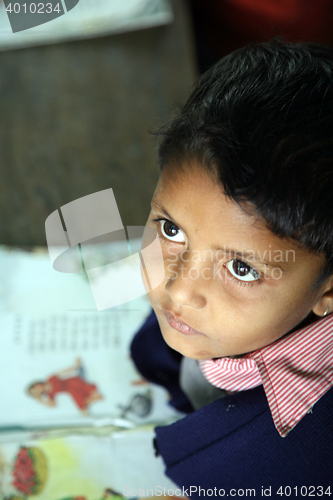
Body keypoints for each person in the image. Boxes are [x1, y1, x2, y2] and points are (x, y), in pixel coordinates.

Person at [130, 39, 333, 496]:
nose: (178, 290)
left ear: (328, 293)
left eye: (242, 269)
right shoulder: (216, 315)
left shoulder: (306, 460)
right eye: (170, 229)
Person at [27, 358, 103, 414]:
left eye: (35, 388)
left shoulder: (50, 379)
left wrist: (75, 366)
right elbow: (53, 405)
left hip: (73, 382)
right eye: (35, 392)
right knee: (82, 408)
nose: (37, 390)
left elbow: (63, 372)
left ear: (36, 384)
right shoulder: (50, 394)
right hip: (70, 390)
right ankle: (94, 398)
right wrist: (41, 401)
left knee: (88, 390)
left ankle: (95, 396)